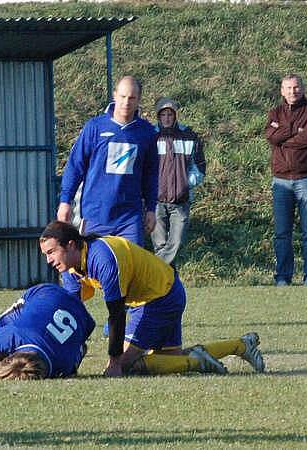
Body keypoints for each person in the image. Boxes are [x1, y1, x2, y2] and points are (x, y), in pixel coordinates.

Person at [39, 221, 265, 377]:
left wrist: (115, 362)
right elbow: (72, 309)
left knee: (130, 365)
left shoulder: (103, 258)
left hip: (159, 298)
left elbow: (116, 314)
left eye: (51, 252)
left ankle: (198, 362)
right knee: (170, 359)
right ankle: (240, 345)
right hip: (164, 290)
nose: (48, 260)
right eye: (45, 255)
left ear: (70, 245)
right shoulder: (69, 268)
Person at [57, 76, 158, 246]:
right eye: (123, 96)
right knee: (94, 268)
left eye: (132, 98)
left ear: (139, 100)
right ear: (115, 95)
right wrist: (65, 201)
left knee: (131, 268)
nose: (127, 102)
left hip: (129, 218)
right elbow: (75, 166)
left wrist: (151, 209)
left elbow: (151, 174)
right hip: (96, 215)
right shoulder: (95, 127)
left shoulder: (147, 132)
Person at [0, 283, 95, 381]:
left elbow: (82, 348)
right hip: (48, 293)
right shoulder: (14, 335)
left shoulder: (63, 366)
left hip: (84, 319)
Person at [265, 74, 307, 287]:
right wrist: (294, 129)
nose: (293, 91)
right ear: (282, 91)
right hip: (280, 182)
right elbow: (270, 137)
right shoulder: (274, 112)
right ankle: (283, 277)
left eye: (296, 87)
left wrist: (283, 135)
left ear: (303, 88)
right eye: (288, 88)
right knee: (282, 233)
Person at [151, 97, 206, 265]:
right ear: (158, 117)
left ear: (175, 116)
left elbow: (200, 168)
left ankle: (156, 271)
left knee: (176, 242)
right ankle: (167, 280)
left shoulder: (189, 136)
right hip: (155, 201)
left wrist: (184, 183)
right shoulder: (150, 137)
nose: (167, 118)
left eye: (170, 114)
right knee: (159, 245)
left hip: (181, 201)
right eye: (163, 115)